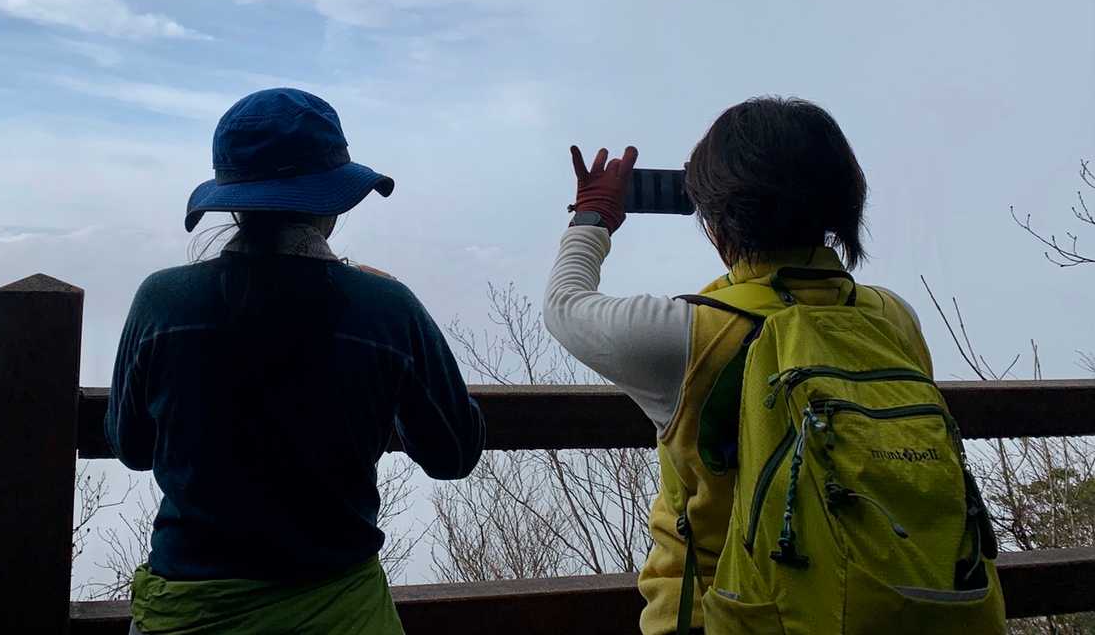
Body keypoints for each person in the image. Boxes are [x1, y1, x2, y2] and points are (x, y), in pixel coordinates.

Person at [543, 97, 942, 635]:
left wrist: (594, 217)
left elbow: (564, 306)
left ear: (718, 217)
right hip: (899, 604)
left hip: (725, 616)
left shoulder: (690, 334)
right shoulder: (892, 317)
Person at [106, 87, 486, 635]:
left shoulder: (162, 301)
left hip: (188, 610)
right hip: (342, 610)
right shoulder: (385, 308)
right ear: (332, 201)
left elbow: (133, 446)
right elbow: (453, 453)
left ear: (234, 201)